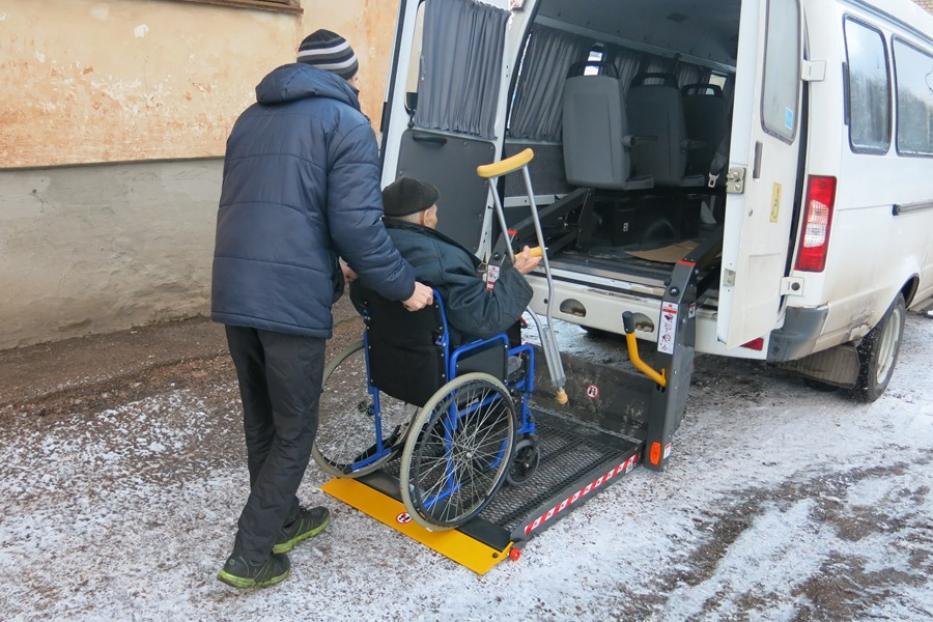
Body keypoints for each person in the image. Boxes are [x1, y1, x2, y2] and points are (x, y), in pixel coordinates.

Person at [211, 30, 433, 589]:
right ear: (348, 78)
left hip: (238, 287)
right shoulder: (348, 124)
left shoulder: (249, 118)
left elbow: (283, 209)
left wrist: (335, 265)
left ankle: (283, 517)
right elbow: (357, 225)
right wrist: (405, 287)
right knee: (294, 428)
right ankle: (250, 555)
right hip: (288, 299)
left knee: (262, 417)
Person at [371, 177, 542, 344]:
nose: (436, 219)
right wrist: (517, 273)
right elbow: (485, 319)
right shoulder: (444, 260)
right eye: (435, 213)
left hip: (393, 349)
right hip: (450, 350)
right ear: (426, 216)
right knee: (507, 328)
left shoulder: (372, 251)